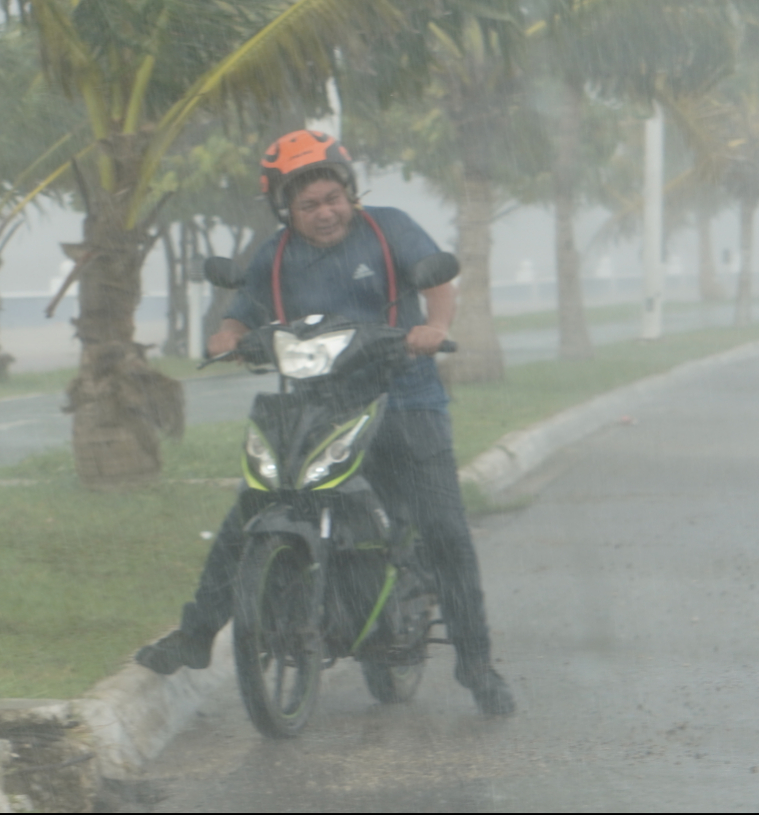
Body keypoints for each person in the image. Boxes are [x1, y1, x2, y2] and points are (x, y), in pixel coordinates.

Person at [134, 129, 515, 716]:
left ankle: (477, 666)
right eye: (307, 204)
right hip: (315, 408)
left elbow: (437, 282)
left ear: (350, 192)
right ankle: (195, 636)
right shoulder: (276, 253)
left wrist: (432, 329)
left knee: (444, 531)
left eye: (332, 197)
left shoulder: (389, 229)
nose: (324, 212)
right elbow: (240, 313)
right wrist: (229, 337)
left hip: (405, 400)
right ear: (285, 209)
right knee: (251, 511)